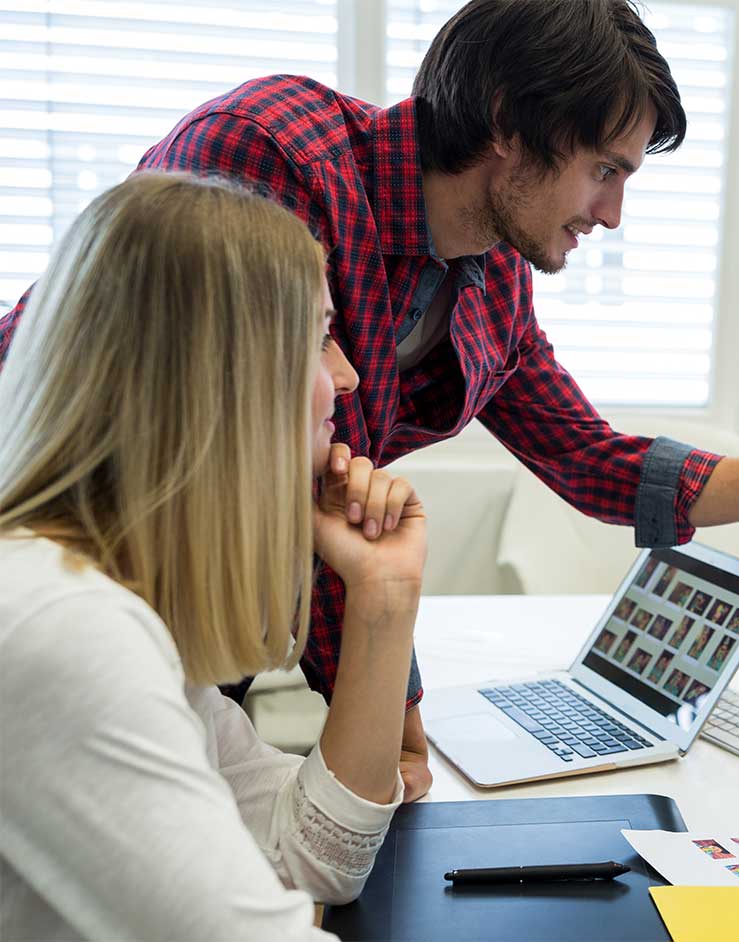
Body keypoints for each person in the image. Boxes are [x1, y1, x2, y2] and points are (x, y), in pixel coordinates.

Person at [0, 0, 739, 796]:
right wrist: (391, 717)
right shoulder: (275, 155)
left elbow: (594, 461)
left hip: (187, 624)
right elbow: (294, 474)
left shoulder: (491, 278)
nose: (613, 214)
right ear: (511, 125)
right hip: (70, 596)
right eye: (605, 170)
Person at [0, 174, 422, 937]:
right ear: (218, 377)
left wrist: (384, 598)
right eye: (317, 338)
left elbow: (309, 860)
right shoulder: (65, 626)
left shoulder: (114, 599)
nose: (347, 377)